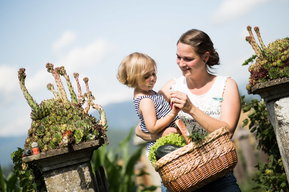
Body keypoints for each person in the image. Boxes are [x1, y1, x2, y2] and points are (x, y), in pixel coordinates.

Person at [135, 29, 241, 192]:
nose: (181, 63)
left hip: (220, 179)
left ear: (205, 57)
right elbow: (140, 130)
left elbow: (227, 133)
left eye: (188, 59)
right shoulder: (172, 87)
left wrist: (191, 109)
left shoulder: (226, 85)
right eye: (178, 57)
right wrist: (161, 134)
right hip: (179, 180)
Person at [117, 52, 181, 155]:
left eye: (153, 74)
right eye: (146, 76)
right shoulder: (145, 101)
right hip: (164, 146)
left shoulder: (148, 93)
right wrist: (173, 113)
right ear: (133, 78)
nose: (152, 78)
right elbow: (153, 127)